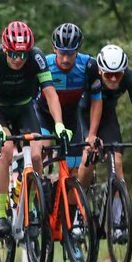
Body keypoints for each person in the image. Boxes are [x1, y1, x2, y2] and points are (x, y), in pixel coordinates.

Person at [0, 20, 68, 236]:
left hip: (23, 108)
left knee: (38, 155)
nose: (18, 59)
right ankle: (0, 213)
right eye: (13, 54)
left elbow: (50, 94)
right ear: (5, 49)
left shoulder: (36, 57)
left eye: (23, 55)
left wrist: (59, 124)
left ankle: (30, 204)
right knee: (6, 151)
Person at [77, 44, 132, 214]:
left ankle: (117, 218)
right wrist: (89, 137)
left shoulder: (129, 78)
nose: (113, 79)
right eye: (108, 75)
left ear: (123, 72)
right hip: (84, 116)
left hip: (108, 117)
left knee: (117, 162)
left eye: (117, 74)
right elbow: (81, 110)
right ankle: (78, 206)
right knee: (87, 158)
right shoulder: (89, 76)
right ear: (100, 71)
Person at [40, 22, 91, 170]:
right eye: (62, 52)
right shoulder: (44, 64)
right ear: (54, 48)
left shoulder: (87, 65)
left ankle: (62, 190)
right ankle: (32, 186)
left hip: (71, 116)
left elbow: (96, 99)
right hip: (44, 114)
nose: (66, 59)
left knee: (73, 169)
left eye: (71, 53)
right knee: (42, 149)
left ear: (78, 49)